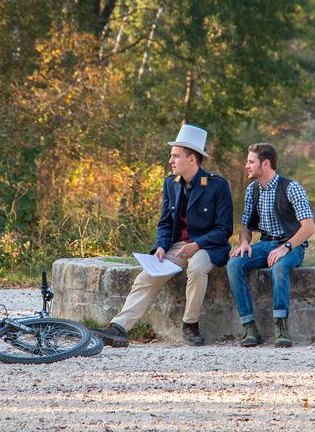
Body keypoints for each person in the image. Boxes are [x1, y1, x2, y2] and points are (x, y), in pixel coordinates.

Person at [93, 124, 233, 348]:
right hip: (179, 246)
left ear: (192, 159)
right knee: (145, 277)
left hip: (209, 247)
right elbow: (166, 222)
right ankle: (118, 328)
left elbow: (224, 229)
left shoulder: (217, 185)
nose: (171, 161)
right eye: (172, 156)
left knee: (196, 268)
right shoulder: (171, 183)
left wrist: (197, 245)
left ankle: (190, 324)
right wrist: (160, 246)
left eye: (175, 156)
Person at [226, 143, 314, 348]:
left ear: (265, 164)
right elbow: (246, 226)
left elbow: (309, 228)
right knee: (234, 264)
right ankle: (249, 328)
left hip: (292, 246)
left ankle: (281, 327)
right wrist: (244, 243)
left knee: (280, 266)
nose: (246, 166)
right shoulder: (252, 190)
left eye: (250, 161)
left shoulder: (292, 188)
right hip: (265, 244)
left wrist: (286, 247)